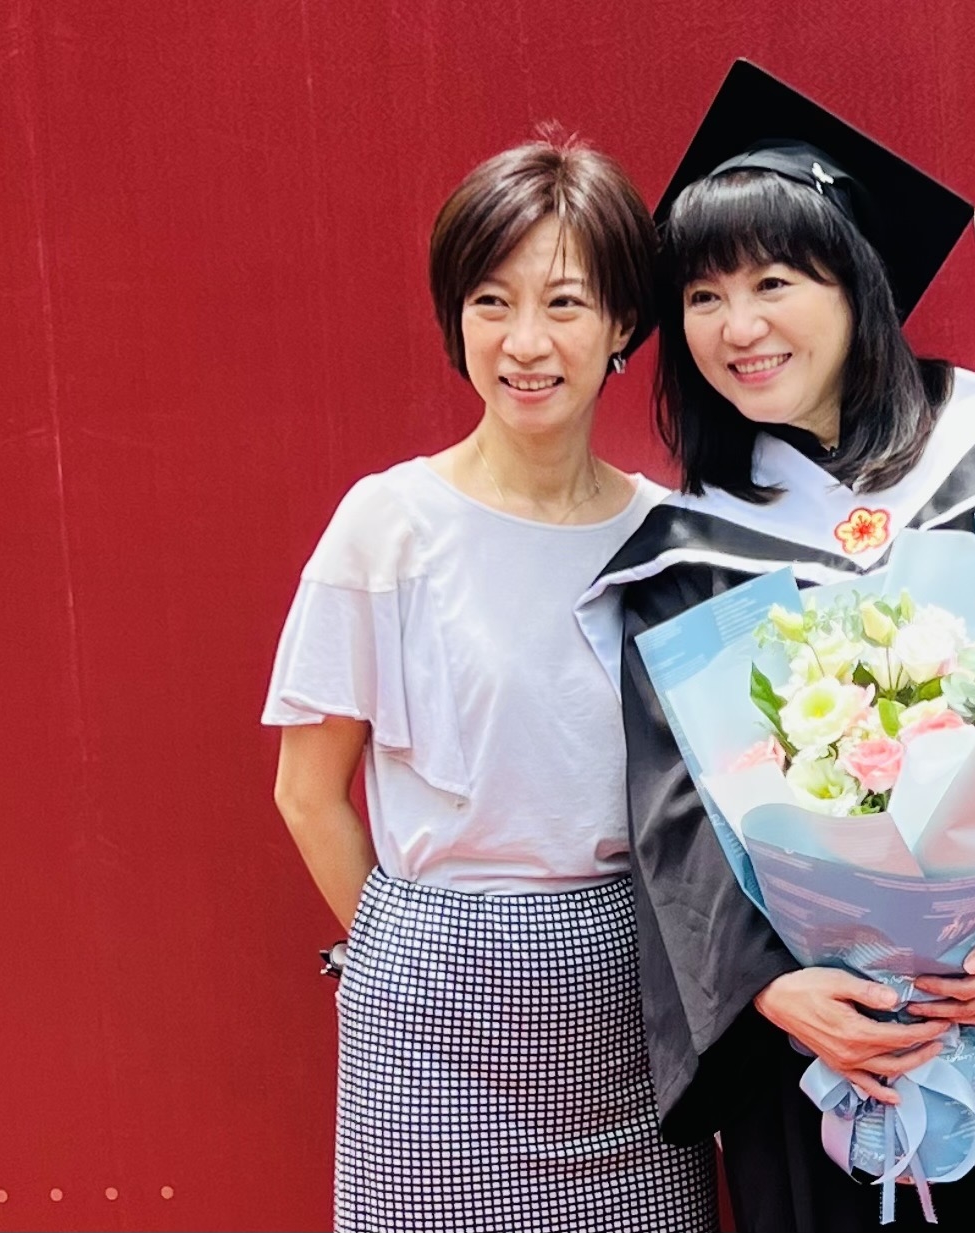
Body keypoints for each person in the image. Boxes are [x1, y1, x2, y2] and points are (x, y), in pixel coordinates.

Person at [579, 62, 975, 1231]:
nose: (738, 327)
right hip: (818, 1046)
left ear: (855, 282)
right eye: (701, 296)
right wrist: (773, 988)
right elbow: (675, 815)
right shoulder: (688, 547)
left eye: (772, 281)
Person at [262, 135, 715, 1233]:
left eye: (564, 303)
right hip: (431, 1012)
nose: (524, 343)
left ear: (622, 323)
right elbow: (306, 791)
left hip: (631, 999)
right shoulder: (389, 524)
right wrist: (406, 953)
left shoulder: (670, 539)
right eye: (490, 302)